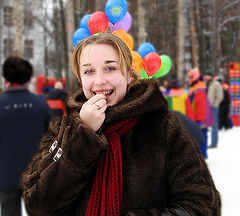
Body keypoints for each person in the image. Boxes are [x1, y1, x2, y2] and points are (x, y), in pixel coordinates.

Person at [21, 33, 221, 216]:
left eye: (110, 68)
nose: (99, 81)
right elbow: (39, 203)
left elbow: (203, 203)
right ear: (80, 78)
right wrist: (82, 135)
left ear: (128, 75)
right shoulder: (62, 130)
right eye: (89, 71)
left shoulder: (164, 128)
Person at [0, 56, 53, 216]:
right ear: (28, 78)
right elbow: (53, 139)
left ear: (5, 78)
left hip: (5, 175)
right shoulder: (41, 104)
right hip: (36, 176)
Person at [185, 68, 214, 159]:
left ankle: (202, 157)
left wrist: (199, 120)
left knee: (201, 138)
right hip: (196, 118)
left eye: (190, 77)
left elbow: (201, 107)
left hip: (200, 120)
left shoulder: (198, 89)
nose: (188, 79)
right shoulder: (196, 87)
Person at [204, 70, 223, 148]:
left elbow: (220, 96)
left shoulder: (216, 84)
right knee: (205, 125)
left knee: (214, 125)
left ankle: (214, 143)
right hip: (205, 107)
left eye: (209, 75)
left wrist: (214, 104)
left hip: (213, 107)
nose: (207, 77)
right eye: (206, 75)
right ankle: (204, 143)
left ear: (211, 76)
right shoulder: (205, 84)